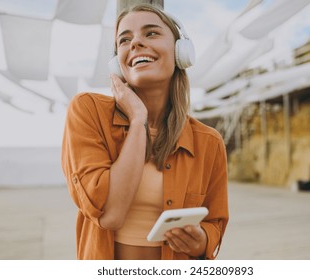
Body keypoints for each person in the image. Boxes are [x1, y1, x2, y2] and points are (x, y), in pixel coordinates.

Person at [61, 4, 229, 260]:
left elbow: (214, 225)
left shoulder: (209, 142)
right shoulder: (87, 111)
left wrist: (200, 242)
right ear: (117, 63)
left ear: (181, 52)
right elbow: (111, 214)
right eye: (125, 39)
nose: (136, 43)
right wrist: (138, 118)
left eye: (151, 33)